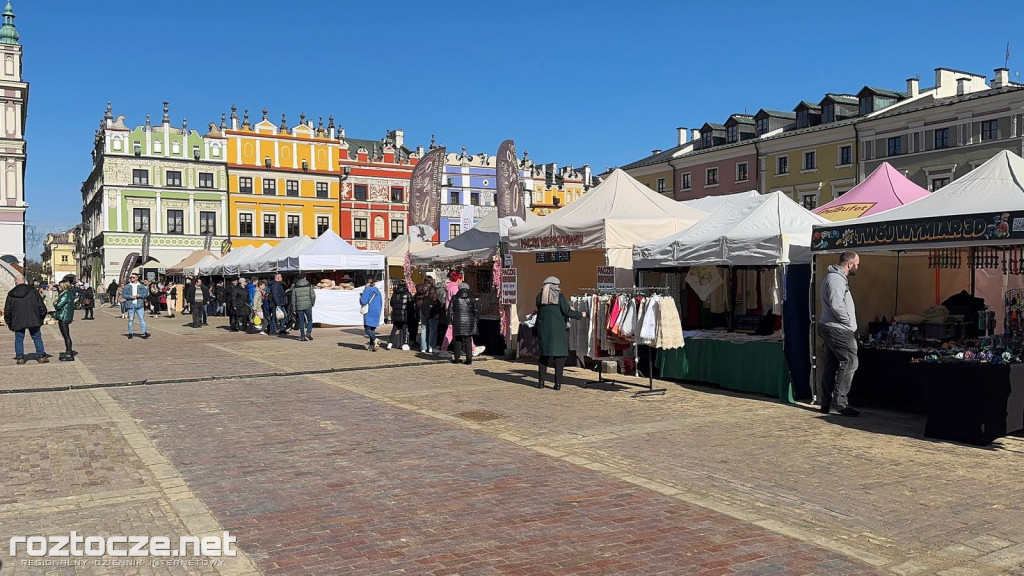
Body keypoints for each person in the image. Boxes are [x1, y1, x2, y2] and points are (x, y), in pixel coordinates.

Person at [819, 251, 861, 417]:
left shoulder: (835, 278)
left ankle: (826, 402)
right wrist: (848, 321)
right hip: (838, 328)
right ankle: (840, 402)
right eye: (857, 263)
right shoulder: (836, 279)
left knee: (832, 364)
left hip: (832, 327)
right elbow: (837, 305)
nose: (858, 266)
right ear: (849, 264)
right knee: (850, 361)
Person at [534, 276, 584, 390]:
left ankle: (541, 383)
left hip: (543, 330)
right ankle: (557, 384)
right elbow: (567, 311)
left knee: (543, 357)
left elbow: (542, 309)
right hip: (557, 331)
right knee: (559, 358)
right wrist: (581, 314)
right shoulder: (559, 296)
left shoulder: (539, 296)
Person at [5, 275, 49, 364]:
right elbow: (42, 307)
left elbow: (7, 311)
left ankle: (20, 357)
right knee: (37, 337)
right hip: (33, 318)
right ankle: (41, 356)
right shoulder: (33, 292)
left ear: (15, 282)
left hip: (18, 320)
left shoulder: (11, 294)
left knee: (19, 338)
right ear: (24, 281)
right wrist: (40, 318)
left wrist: (9, 322)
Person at [448, 282, 479, 365]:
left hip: (457, 321)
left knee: (457, 340)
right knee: (468, 340)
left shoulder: (455, 298)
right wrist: (476, 321)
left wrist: (450, 322)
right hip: (469, 321)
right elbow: (476, 311)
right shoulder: (472, 298)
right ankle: (469, 359)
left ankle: (457, 358)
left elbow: (450, 311)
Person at [121, 274, 151, 340]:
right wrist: (130, 296)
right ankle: (130, 333)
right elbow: (124, 295)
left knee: (141, 319)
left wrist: (140, 295)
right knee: (131, 320)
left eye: (133, 277)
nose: (132, 278)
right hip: (131, 305)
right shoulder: (127, 286)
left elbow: (146, 294)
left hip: (139, 304)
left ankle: (144, 333)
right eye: (131, 277)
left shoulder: (141, 286)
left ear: (137, 278)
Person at [53, 280, 76, 361]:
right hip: (63, 315)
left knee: (66, 336)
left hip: (64, 316)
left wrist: (55, 303)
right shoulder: (66, 293)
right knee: (66, 335)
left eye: (59, 286)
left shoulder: (66, 294)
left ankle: (69, 353)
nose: (58, 287)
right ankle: (68, 351)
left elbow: (58, 305)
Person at [417, 278, 442, 353]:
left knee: (424, 328)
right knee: (433, 329)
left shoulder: (419, 288)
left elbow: (416, 299)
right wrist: (438, 311)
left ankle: (423, 347)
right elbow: (435, 301)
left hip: (422, 310)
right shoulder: (432, 289)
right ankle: (431, 346)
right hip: (431, 310)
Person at [360, 278, 384, 351]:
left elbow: (363, 301)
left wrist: (361, 297)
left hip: (369, 310)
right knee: (372, 328)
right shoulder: (378, 291)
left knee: (367, 329)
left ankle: (375, 339)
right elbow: (381, 301)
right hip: (377, 310)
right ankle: (372, 346)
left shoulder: (367, 290)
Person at [290, 275, 316, 341]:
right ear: (305, 278)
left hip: (299, 306)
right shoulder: (309, 285)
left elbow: (293, 298)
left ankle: (302, 336)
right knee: (309, 320)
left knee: (301, 322)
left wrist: (294, 308)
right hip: (308, 305)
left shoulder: (295, 286)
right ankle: (308, 332)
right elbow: (313, 295)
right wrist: (312, 303)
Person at [388, 282, 412, 350]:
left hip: (395, 313)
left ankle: (390, 343)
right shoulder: (407, 294)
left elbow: (391, 303)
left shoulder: (394, 293)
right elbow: (410, 305)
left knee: (394, 329)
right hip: (404, 314)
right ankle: (404, 344)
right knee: (404, 329)